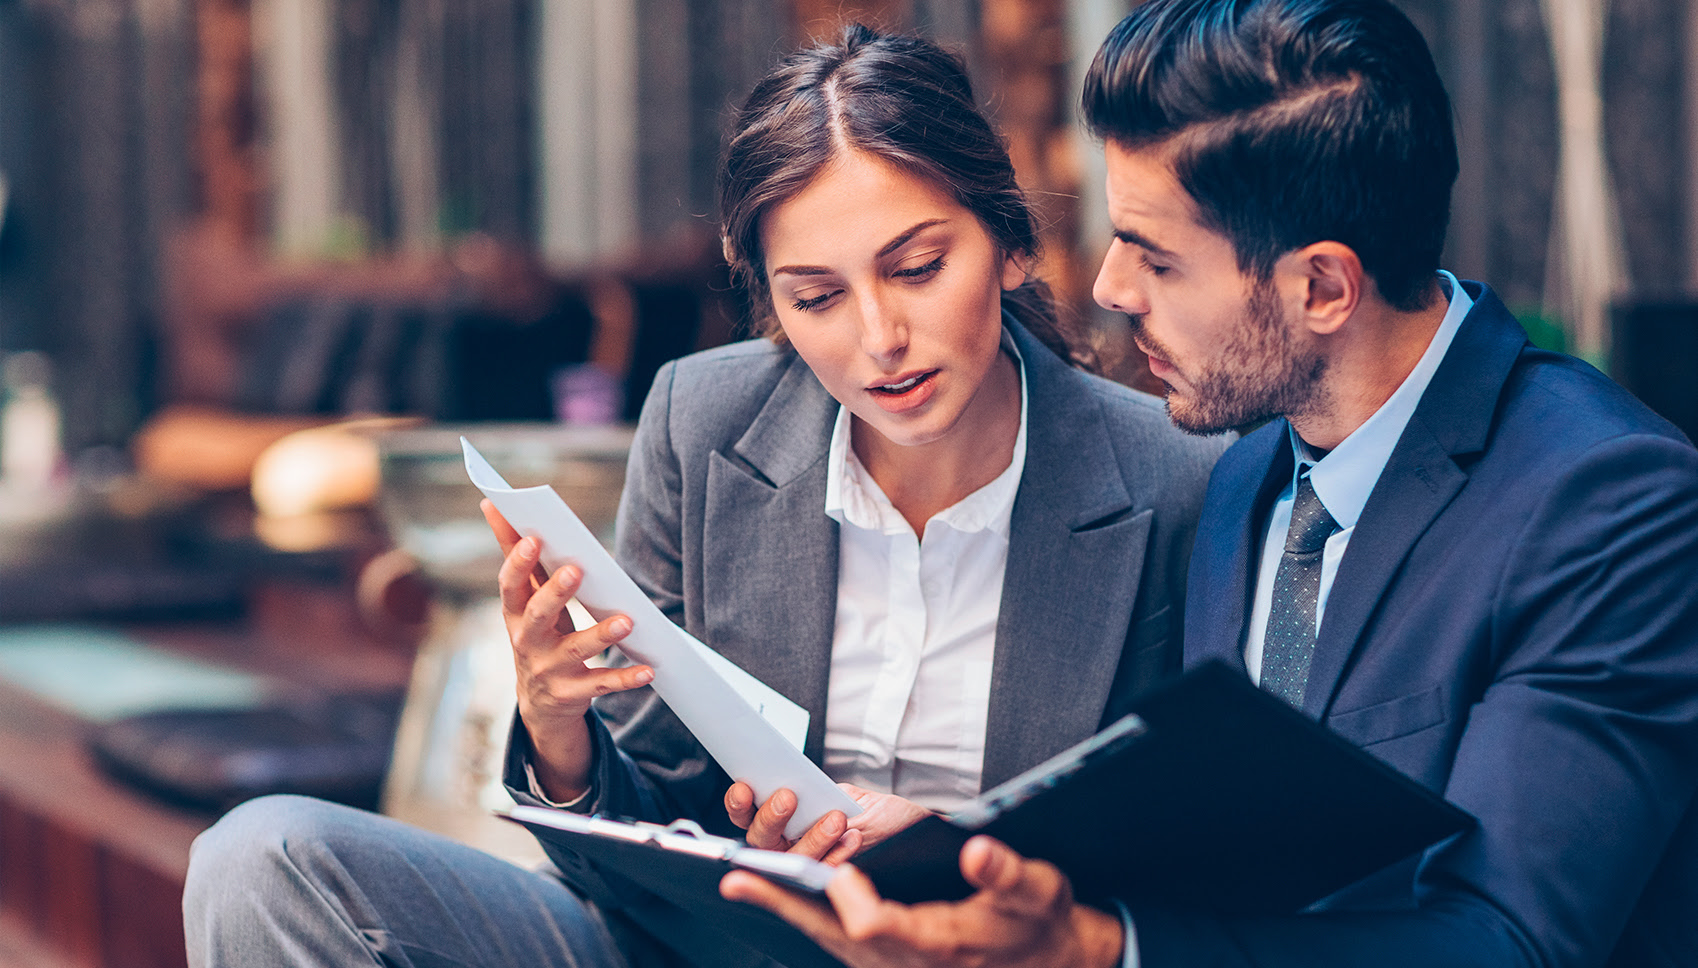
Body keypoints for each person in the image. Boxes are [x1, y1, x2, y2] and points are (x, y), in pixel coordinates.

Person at [181, 24, 1224, 968]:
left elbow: (1192, 864)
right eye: (815, 295)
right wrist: (559, 731)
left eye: (914, 268)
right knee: (263, 858)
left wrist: (951, 855)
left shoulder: (1173, 474)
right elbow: (639, 832)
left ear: (1007, 245)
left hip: (972, 955)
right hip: (709, 943)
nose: (876, 338)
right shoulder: (704, 420)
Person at [722, 2, 1698, 967]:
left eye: (1155, 256)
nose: (1110, 288)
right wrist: (973, 861)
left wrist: (1101, 948)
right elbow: (1226, 872)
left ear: (1321, 286)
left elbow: (1504, 940)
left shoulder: (1610, 504)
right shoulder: (1242, 483)